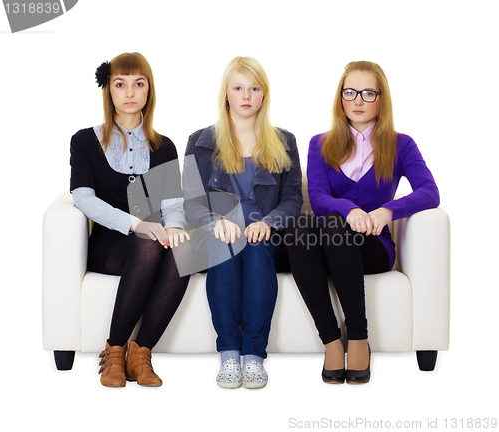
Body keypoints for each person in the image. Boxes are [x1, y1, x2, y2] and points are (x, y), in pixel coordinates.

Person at [285, 61, 439, 384]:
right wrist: (348, 209)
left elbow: (429, 191)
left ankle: (358, 338)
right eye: (350, 92)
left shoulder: (401, 144)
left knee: (326, 226)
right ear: (340, 98)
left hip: (373, 246)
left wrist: (388, 212)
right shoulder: (320, 144)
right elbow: (318, 196)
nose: (358, 100)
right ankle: (331, 340)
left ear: (382, 99)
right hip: (330, 241)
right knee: (308, 226)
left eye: (368, 93)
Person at [69, 52, 191, 388]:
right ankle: (114, 351)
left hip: (154, 239)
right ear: (108, 90)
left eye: (139, 84)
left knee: (185, 249)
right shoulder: (85, 141)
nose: (130, 92)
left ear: (149, 91)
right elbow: (83, 199)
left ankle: (141, 356)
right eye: (120, 84)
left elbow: (172, 204)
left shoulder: (163, 146)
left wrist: (176, 229)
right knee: (148, 244)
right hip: (112, 244)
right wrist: (137, 224)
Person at [183, 56, 303, 389]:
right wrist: (213, 222)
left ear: (264, 94)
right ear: (226, 94)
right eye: (238, 88)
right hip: (218, 236)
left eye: (254, 88)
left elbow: (293, 199)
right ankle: (229, 355)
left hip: (267, 239)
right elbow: (192, 202)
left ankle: (253, 357)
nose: (246, 95)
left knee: (255, 245)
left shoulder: (285, 141)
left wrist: (270, 221)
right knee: (224, 245)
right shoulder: (200, 141)